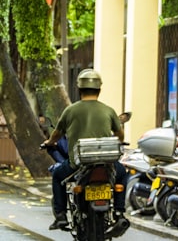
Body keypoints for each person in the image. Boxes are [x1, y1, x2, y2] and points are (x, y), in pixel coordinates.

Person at [41, 68, 129, 237]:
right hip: (106, 164)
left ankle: (60, 216)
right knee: (123, 174)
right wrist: (116, 139)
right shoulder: (108, 110)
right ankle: (119, 213)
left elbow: (57, 134)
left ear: (79, 89)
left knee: (58, 176)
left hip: (78, 165)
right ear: (99, 89)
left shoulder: (70, 110)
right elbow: (120, 135)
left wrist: (49, 143)